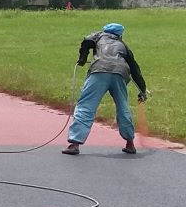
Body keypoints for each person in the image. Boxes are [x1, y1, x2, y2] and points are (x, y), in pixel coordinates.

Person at [63, 22, 147, 156]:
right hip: (120, 74)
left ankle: (74, 144)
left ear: (105, 30)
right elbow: (135, 70)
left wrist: (82, 58)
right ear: (120, 34)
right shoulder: (124, 46)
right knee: (123, 107)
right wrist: (143, 90)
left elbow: (86, 41)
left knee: (86, 106)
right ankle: (130, 143)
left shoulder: (98, 36)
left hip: (99, 72)